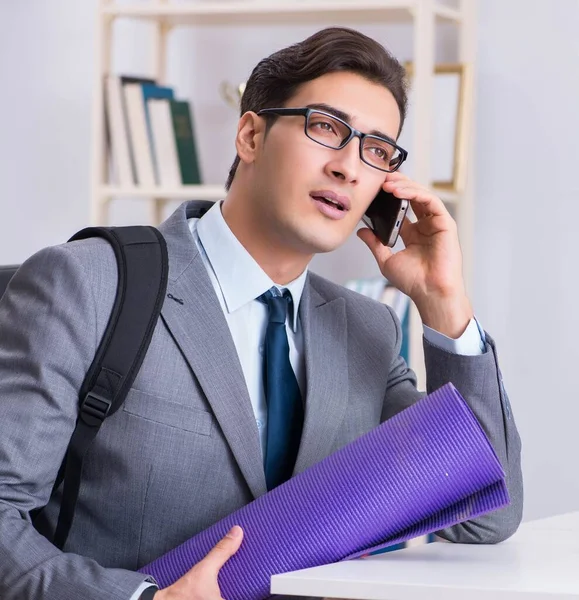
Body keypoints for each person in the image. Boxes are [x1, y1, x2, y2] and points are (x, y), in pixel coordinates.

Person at [0, 27, 522, 600]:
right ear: (250, 134)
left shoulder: (365, 328)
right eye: (326, 128)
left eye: (376, 150)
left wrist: (444, 304)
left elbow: (483, 514)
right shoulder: (89, 283)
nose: (349, 168)